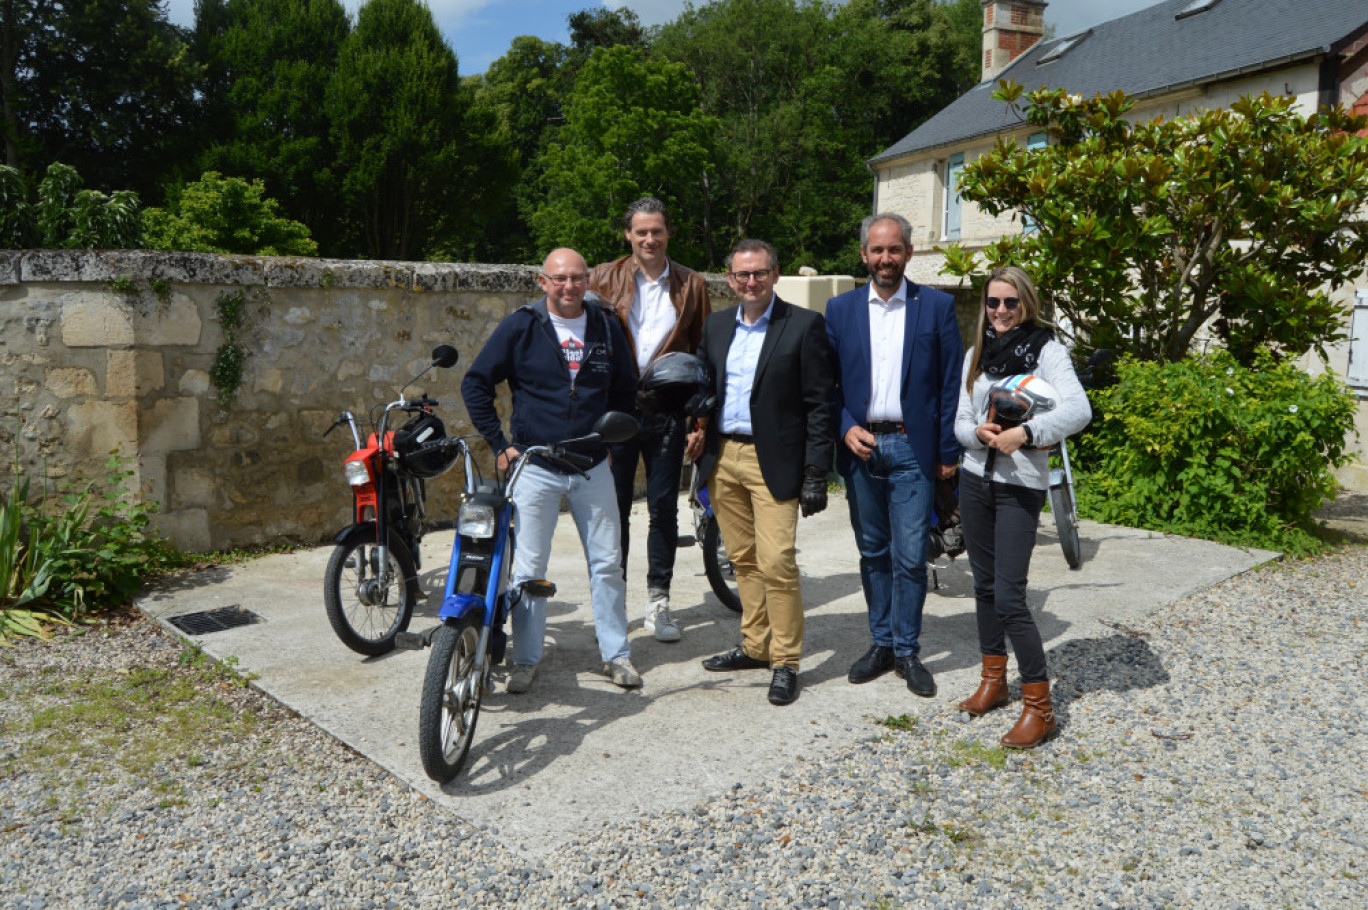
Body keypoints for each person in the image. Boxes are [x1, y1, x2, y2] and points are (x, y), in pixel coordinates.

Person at [461, 248, 642, 694]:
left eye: (577, 278)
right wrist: (500, 445)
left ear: (588, 281)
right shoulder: (522, 325)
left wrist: (612, 438)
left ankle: (616, 654)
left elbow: (624, 389)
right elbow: (476, 382)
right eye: (559, 279)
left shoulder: (605, 325)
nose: (569, 287)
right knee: (529, 570)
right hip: (536, 465)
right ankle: (525, 659)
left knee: (606, 563)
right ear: (543, 282)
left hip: (591, 465)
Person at [685, 239, 836, 707]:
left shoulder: (805, 326)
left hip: (774, 461)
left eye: (760, 273)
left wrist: (816, 471)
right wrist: (696, 428)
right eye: (742, 275)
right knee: (743, 560)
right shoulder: (714, 326)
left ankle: (786, 661)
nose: (751, 282)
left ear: (774, 274)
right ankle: (755, 645)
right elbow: (705, 388)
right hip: (722, 458)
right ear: (729, 279)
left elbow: (820, 405)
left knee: (777, 562)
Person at [824, 213, 963, 698]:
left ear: (909, 252)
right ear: (863, 254)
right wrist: (845, 428)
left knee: (909, 557)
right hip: (861, 447)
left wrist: (948, 452)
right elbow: (828, 386)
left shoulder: (937, 307)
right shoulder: (839, 311)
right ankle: (880, 643)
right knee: (873, 552)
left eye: (895, 249)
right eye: (877, 250)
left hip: (912, 447)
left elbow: (949, 385)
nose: (886, 258)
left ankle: (907, 649)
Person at [954, 265, 1091, 748]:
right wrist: (979, 433)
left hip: (1019, 487)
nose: (1002, 311)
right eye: (994, 303)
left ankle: (1040, 708)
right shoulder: (977, 353)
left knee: (1010, 596)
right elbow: (960, 420)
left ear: (1027, 303)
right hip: (974, 482)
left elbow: (1079, 410)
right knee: (985, 587)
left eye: (1011, 302)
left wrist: (1025, 433)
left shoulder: (1048, 352)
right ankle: (993, 681)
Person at [589, 197, 711, 643]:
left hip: (667, 411)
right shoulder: (602, 278)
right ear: (628, 234)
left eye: (656, 231)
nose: (649, 239)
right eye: (641, 231)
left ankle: (659, 602)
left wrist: (700, 422)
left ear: (668, 233)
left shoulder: (692, 285)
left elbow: (703, 354)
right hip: (616, 411)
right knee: (613, 509)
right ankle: (614, 603)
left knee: (663, 510)